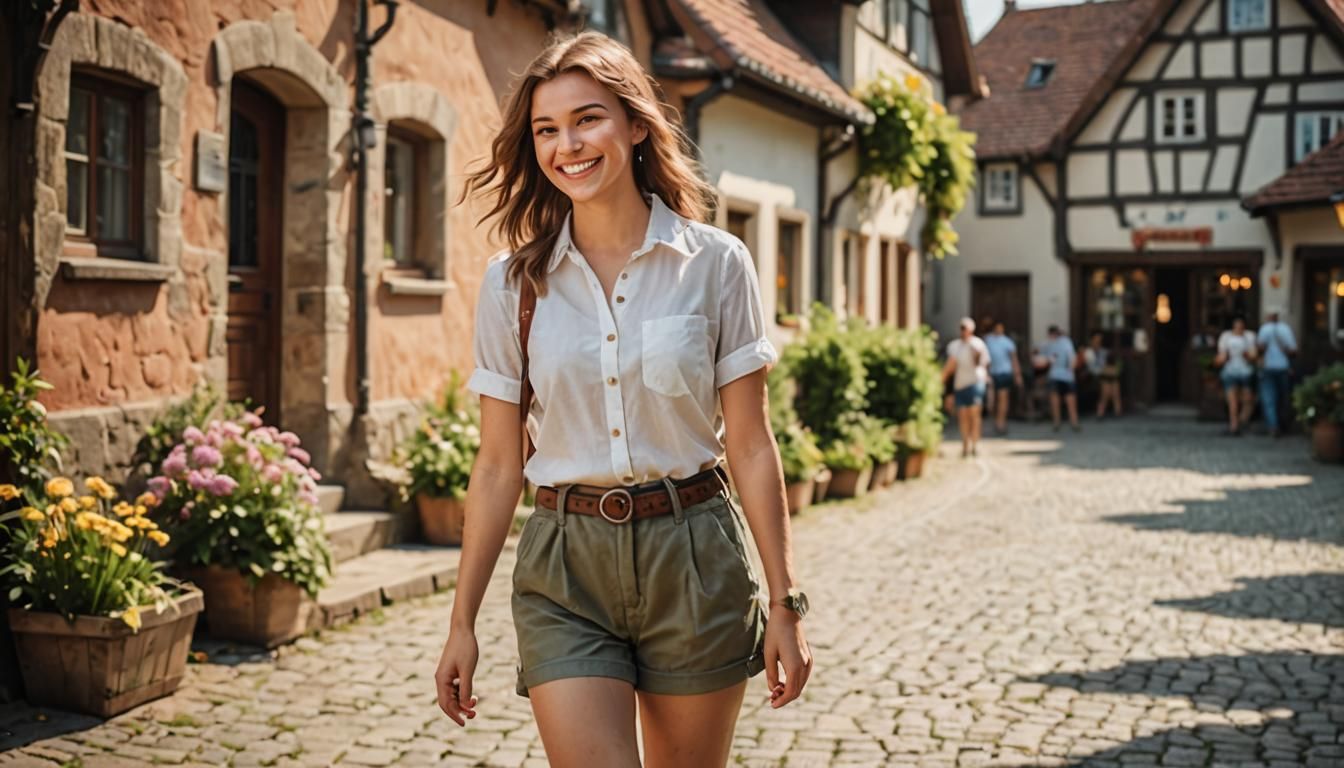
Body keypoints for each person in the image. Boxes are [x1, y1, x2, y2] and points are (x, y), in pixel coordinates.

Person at [436, 33, 811, 767]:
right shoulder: (511, 283)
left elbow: (751, 445)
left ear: (636, 123)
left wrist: (786, 604)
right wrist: (461, 622)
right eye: (546, 129)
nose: (566, 145)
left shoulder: (716, 264)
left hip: (694, 557)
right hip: (564, 568)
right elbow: (495, 466)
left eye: (588, 119)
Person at [942, 317, 990, 457]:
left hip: (975, 383)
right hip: (960, 385)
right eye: (962, 328)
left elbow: (982, 364)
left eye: (966, 328)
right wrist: (947, 390)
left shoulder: (978, 344)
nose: (963, 331)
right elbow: (950, 369)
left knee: (974, 416)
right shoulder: (954, 346)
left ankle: (975, 444)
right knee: (963, 417)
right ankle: (965, 445)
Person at [1257, 307, 1297, 438]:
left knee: (1269, 399)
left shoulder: (1264, 329)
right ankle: (1283, 424)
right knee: (1283, 397)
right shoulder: (1285, 329)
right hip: (1283, 367)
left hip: (1268, 367)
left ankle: (1273, 426)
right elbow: (1293, 350)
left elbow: (1259, 348)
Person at [1215, 316, 1257, 436]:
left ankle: (1241, 421)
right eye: (1236, 326)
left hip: (1245, 371)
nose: (1239, 328)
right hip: (1230, 371)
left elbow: (1254, 356)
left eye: (1241, 326)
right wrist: (1222, 358)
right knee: (1232, 401)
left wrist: (1247, 355)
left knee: (1248, 400)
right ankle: (1234, 425)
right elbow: (1220, 358)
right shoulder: (1226, 337)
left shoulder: (1249, 336)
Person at [984, 320, 1022, 435]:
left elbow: (1014, 359)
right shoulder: (988, 339)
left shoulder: (1007, 342)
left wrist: (1017, 374)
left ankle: (1001, 423)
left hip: (1004, 373)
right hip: (991, 374)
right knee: (992, 401)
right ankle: (996, 422)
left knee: (1003, 399)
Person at [1043, 325, 1080, 432]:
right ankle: (1073, 422)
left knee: (1057, 400)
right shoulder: (1065, 342)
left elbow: (1046, 360)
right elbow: (1072, 358)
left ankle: (1058, 422)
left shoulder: (1050, 343)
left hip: (1056, 374)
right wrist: (1071, 372)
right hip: (1066, 375)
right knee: (1068, 400)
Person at [1084, 332, 1122, 419]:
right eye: (1096, 340)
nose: (1098, 342)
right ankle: (1101, 412)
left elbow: (1111, 362)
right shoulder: (1088, 351)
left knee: (1115, 385)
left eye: (1099, 340)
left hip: (1106, 374)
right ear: (1092, 340)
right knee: (1107, 388)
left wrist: (1108, 369)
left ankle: (1117, 410)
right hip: (1094, 376)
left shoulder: (1104, 351)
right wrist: (1103, 370)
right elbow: (1091, 368)